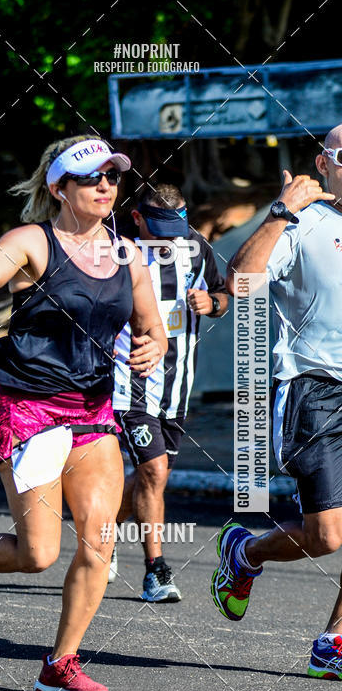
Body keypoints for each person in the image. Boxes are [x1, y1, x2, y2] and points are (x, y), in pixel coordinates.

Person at [0, 135, 168, 691]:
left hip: (93, 411)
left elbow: (153, 327)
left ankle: (60, 663)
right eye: (91, 178)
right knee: (38, 553)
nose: (106, 187)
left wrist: (154, 347)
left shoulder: (129, 256)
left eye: (112, 177)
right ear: (59, 188)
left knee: (99, 541)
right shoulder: (33, 239)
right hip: (30, 409)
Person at [210, 125, 342, 680]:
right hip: (315, 390)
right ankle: (245, 552)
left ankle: (332, 643)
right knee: (326, 536)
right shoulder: (304, 221)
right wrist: (279, 212)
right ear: (325, 162)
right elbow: (240, 281)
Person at [109, 183, 228, 600]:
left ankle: (101, 539)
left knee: (149, 479)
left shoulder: (195, 245)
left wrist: (211, 303)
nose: (172, 241)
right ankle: (156, 572)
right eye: (162, 231)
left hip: (177, 388)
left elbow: (225, 295)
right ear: (138, 218)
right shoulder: (116, 249)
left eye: (177, 230)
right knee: (154, 472)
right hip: (130, 383)